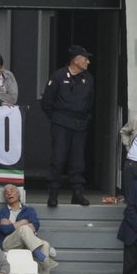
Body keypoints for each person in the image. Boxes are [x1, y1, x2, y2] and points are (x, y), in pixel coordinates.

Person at [40, 45, 94, 208]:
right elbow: (46, 102)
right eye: (85, 59)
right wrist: (56, 118)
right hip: (61, 123)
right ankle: (53, 193)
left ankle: (77, 193)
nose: (88, 62)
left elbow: (90, 102)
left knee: (78, 160)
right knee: (59, 158)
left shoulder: (88, 78)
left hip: (80, 124)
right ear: (76, 60)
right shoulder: (58, 76)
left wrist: (85, 118)